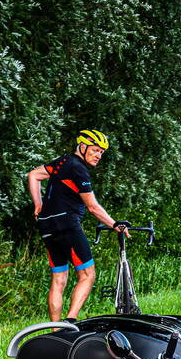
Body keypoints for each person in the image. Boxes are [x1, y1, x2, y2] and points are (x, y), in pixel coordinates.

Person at [27, 129, 128, 323]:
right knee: (87, 275)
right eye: (95, 150)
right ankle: (71, 321)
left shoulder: (62, 161)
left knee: (59, 279)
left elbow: (33, 175)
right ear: (82, 146)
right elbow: (92, 207)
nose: (99, 155)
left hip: (46, 225)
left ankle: (56, 330)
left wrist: (38, 204)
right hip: (66, 224)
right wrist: (115, 224)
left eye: (101, 152)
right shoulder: (79, 168)